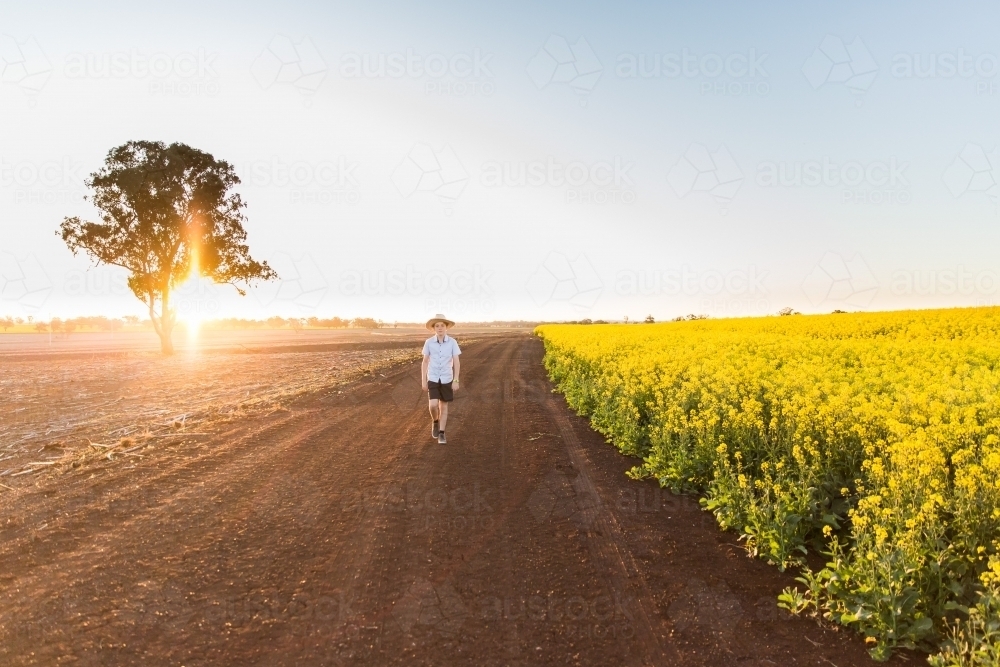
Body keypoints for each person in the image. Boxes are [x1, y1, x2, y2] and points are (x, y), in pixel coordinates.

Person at [421, 314, 461, 444]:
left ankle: (442, 433)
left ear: (446, 327)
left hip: (446, 377)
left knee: (443, 406)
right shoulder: (428, 342)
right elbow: (425, 361)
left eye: (442, 325)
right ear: (433, 328)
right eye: (437, 326)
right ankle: (435, 421)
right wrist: (423, 380)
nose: (440, 328)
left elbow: (456, 361)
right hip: (432, 377)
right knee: (433, 405)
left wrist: (456, 380)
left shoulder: (452, 342)